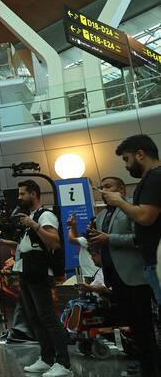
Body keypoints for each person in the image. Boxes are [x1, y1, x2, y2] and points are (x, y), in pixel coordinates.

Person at [89, 176, 157, 376]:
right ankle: (143, 362)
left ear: (121, 190)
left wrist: (109, 238)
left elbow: (139, 239)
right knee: (131, 323)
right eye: (101, 187)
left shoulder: (133, 208)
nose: (103, 190)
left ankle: (152, 365)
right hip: (114, 276)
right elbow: (101, 241)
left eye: (108, 186)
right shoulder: (102, 215)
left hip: (135, 275)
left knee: (145, 324)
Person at [12, 180, 71, 377]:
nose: (19, 197)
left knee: (47, 317)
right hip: (27, 271)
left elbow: (54, 242)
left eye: (22, 194)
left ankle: (63, 363)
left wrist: (34, 225)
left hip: (39, 272)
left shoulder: (45, 215)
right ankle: (47, 358)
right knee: (34, 317)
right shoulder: (30, 216)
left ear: (34, 194)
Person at [101, 135, 161, 305]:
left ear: (140, 154)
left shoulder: (155, 177)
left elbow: (145, 217)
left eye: (127, 159)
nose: (126, 166)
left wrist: (119, 201)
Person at [66, 214, 99, 279]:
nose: (87, 226)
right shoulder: (94, 239)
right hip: (92, 273)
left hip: (90, 274)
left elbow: (71, 239)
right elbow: (77, 238)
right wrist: (74, 225)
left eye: (90, 224)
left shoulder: (89, 240)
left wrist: (70, 227)